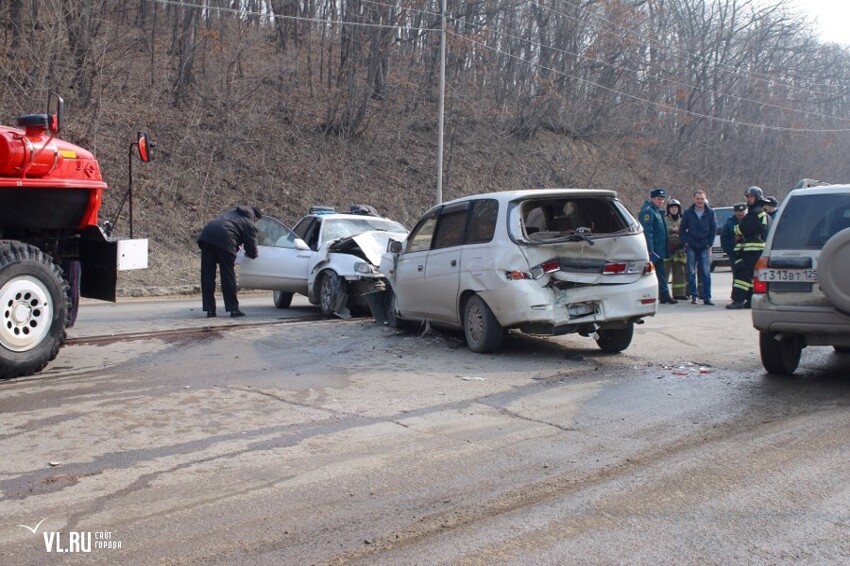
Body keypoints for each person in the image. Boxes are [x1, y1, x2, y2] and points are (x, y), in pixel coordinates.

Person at [197, 206, 262, 318]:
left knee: (207, 275)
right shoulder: (249, 222)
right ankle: (233, 309)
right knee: (227, 276)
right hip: (225, 239)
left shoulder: (232, 213)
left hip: (207, 235)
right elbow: (251, 248)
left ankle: (210, 310)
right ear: (255, 218)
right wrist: (252, 254)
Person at [727, 187, 769, 309]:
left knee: (742, 274)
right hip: (751, 249)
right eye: (748, 197)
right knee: (751, 276)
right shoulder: (754, 211)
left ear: (757, 197)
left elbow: (747, 227)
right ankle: (750, 300)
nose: (748, 199)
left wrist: (737, 229)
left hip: (753, 249)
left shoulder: (757, 212)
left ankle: (738, 300)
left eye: (750, 196)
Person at [639, 188, 677, 304]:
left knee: (661, 273)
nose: (661, 201)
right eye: (659, 199)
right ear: (653, 199)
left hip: (659, 249)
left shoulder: (658, 211)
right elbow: (647, 232)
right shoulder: (648, 211)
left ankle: (664, 295)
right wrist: (650, 250)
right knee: (647, 274)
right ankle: (645, 295)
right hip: (653, 250)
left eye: (662, 199)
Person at [679, 190, 716, 305]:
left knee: (705, 272)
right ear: (694, 199)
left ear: (705, 199)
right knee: (690, 272)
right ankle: (694, 295)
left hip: (704, 246)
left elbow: (713, 229)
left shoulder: (710, 212)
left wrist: (709, 243)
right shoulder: (688, 212)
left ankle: (707, 297)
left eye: (702, 199)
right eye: (698, 198)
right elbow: (682, 229)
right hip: (691, 246)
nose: (700, 201)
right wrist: (685, 242)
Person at [664, 199, 687, 300]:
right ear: (668, 209)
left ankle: (679, 294)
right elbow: (662, 231)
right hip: (667, 249)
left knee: (680, 272)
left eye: (676, 207)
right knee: (664, 272)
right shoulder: (664, 219)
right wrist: (672, 229)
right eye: (671, 207)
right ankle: (663, 293)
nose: (674, 209)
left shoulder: (683, 219)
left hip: (679, 250)